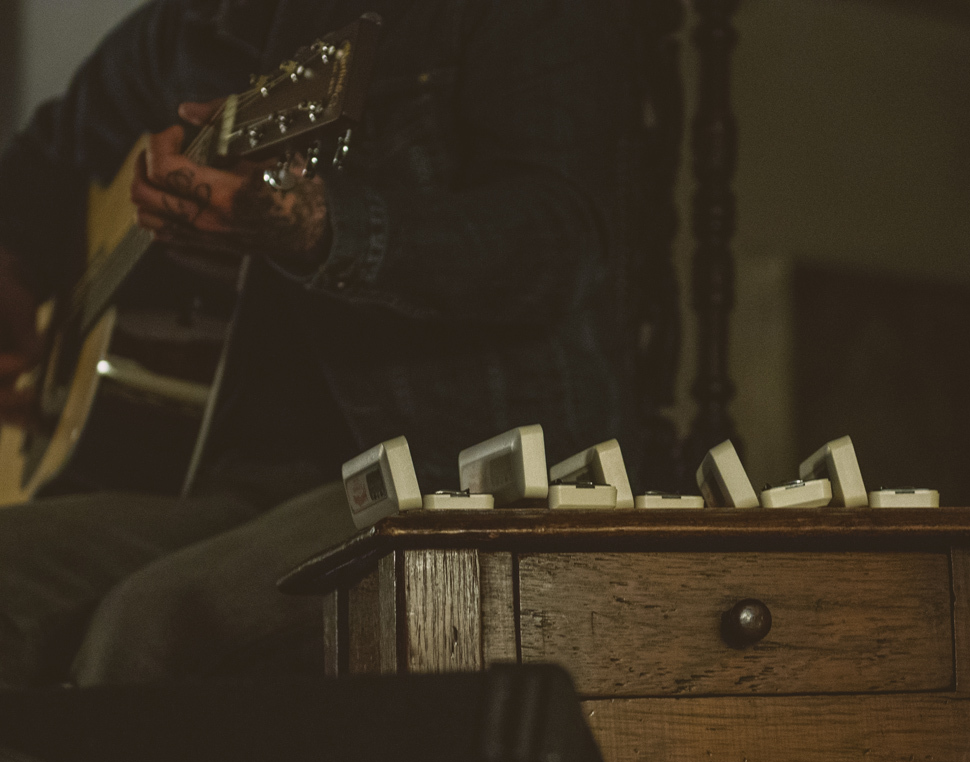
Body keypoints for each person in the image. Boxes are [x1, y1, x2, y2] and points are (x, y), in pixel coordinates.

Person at [0, 0, 639, 688]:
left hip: (455, 471)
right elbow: (45, 165)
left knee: (151, 627)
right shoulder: (192, 22)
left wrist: (321, 228)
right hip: (221, 479)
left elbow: (556, 242)